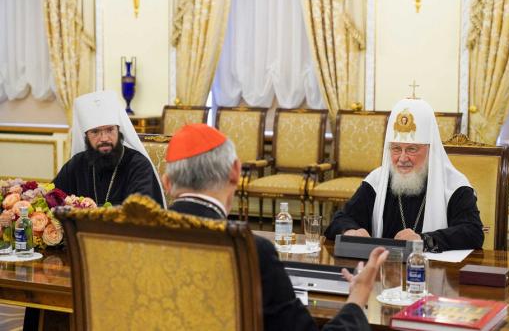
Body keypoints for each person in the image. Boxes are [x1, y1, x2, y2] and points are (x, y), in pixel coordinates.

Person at [161, 123, 389, 331]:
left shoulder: (133, 242)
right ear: (235, 173)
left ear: (167, 183)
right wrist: (357, 299)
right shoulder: (249, 250)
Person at [324, 98, 484, 252]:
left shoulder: (454, 185)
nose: (402, 158)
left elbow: (473, 233)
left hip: (431, 274)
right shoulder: (377, 181)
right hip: (382, 272)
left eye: (411, 149)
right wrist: (350, 231)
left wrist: (424, 240)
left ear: (430, 149)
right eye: (396, 149)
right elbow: (339, 220)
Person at [53, 91, 165, 207]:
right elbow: (51, 198)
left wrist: (94, 211)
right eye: (95, 132)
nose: (104, 138)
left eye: (110, 130)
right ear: (86, 135)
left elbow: (140, 211)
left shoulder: (138, 164)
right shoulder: (77, 164)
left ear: (118, 130)